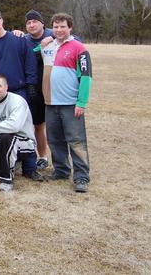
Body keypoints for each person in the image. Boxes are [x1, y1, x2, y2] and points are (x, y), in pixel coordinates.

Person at [40, 13, 93, 193]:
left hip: (70, 103)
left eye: (63, 26)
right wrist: (41, 43)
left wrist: (82, 102)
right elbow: (34, 49)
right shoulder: (48, 45)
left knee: (76, 141)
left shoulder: (79, 48)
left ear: (70, 28)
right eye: (55, 26)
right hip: (50, 102)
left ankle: (81, 176)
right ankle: (61, 170)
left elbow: (86, 77)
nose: (59, 30)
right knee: (54, 140)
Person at [0, 9, 38, 105]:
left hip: (20, 92)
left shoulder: (19, 40)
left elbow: (30, 64)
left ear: (1, 20)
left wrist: (31, 84)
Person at [22, 9, 54, 170]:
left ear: (42, 23)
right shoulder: (25, 40)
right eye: (28, 22)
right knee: (37, 124)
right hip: (33, 87)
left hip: (53, 86)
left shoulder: (53, 34)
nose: (32, 25)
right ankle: (40, 156)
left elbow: (73, 38)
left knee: (55, 125)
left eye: (35, 21)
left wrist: (53, 37)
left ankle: (51, 157)